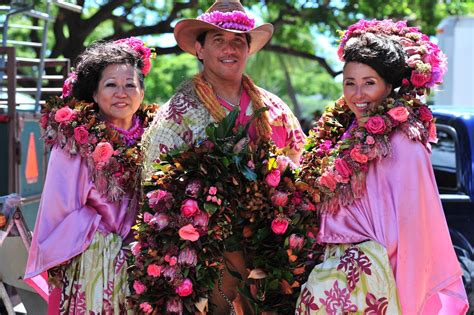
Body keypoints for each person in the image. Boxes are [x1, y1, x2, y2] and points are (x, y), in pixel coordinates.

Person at [141, 0, 305, 313]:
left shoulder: (275, 109)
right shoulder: (177, 113)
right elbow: (154, 190)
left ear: (248, 49)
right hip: (202, 257)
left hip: (268, 256)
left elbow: (301, 176)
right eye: (219, 40)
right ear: (200, 50)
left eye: (237, 42)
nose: (229, 49)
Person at [296, 20, 469, 314]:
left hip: (378, 276)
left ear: (389, 86)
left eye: (369, 83)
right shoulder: (347, 131)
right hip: (334, 274)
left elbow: (413, 230)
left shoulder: (404, 139)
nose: (357, 94)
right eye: (349, 83)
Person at [24, 38, 156, 314]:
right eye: (110, 85)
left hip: (151, 262)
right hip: (95, 265)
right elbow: (60, 211)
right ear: (94, 94)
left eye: (130, 85)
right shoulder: (75, 142)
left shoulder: (158, 135)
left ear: (142, 93)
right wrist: (109, 244)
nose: (121, 92)